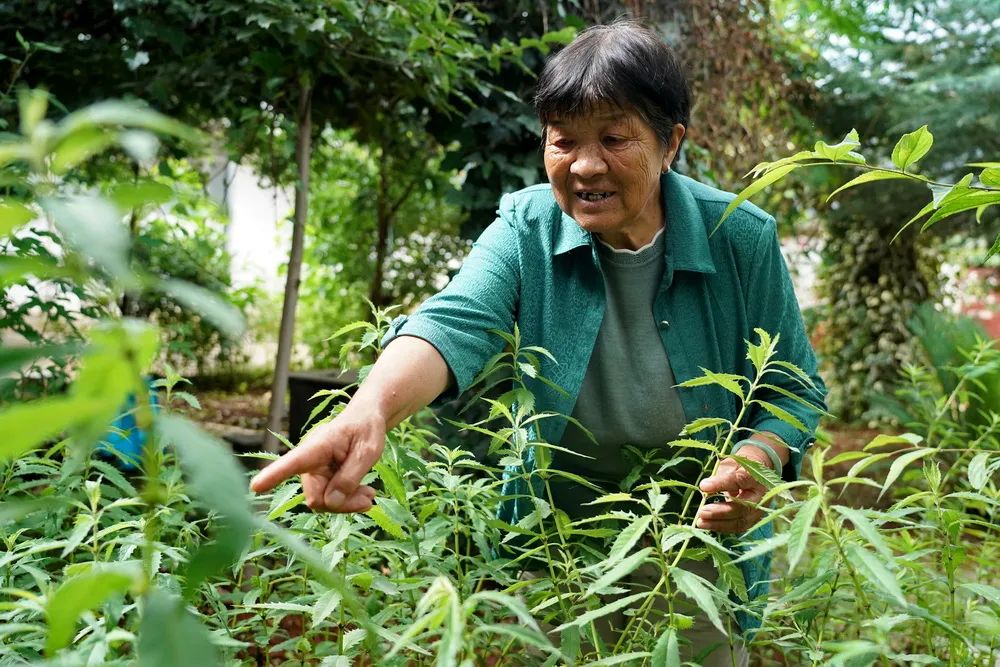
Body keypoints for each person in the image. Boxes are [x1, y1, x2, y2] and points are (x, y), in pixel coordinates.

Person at [250, 20, 827, 665]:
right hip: (557, 543)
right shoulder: (528, 223)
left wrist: (755, 458)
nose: (584, 165)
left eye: (614, 138)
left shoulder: (739, 235)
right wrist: (370, 410)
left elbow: (792, 384)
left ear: (671, 145)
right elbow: (455, 321)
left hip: (697, 545)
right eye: (563, 142)